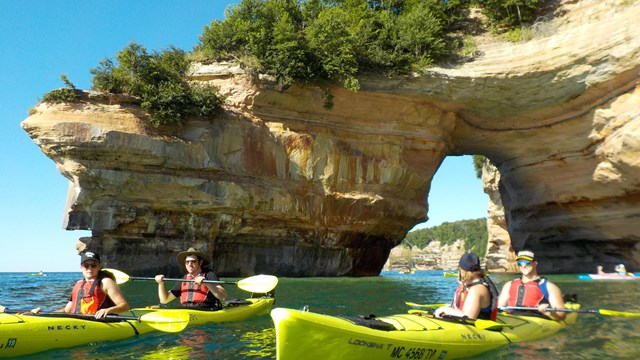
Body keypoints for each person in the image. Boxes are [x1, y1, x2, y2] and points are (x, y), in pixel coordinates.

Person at [33, 251, 129, 319]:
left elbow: (124, 306)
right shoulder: (78, 284)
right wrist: (44, 314)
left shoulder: (106, 282)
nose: (89, 268)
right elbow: (67, 310)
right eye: (86, 265)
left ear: (99, 267)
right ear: (81, 268)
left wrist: (108, 310)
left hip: (101, 322)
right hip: (79, 321)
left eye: (93, 265)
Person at [498, 250, 566, 320]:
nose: (523, 265)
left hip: (537, 319)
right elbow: (499, 307)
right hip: (513, 318)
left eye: (527, 262)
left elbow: (562, 316)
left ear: (535, 263)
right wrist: (504, 310)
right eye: (519, 263)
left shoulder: (549, 287)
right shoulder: (509, 285)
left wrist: (549, 312)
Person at [155, 247, 228, 309]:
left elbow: (223, 296)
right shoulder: (184, 279)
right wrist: (161, 284)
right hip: (186, 311)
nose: (190, 264)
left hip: (205, 310)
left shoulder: (209, 275)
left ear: (200, 262)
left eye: (193, 261)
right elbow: (164, 300)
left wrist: (206, 283)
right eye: (187, 262)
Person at [434, 253, 499, 320]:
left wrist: (446, 309)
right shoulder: (468, 286)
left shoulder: (477, 289)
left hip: (475, 328)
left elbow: (468, 317)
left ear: (461, 270)